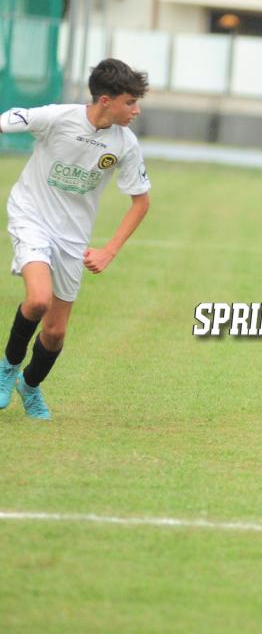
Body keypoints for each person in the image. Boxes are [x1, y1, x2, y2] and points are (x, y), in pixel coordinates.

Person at [0, 59, 152, 420]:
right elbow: (9, 120)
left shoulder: (125, 144)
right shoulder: (57, 117)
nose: (136, 110)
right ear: (106, 100)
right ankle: (8, 369)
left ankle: (30, 386)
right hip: (31, 216)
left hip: (72, 237)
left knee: (55, 333)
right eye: (130, 102)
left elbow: (141, 203)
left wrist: (109, 251)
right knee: (38, 300)